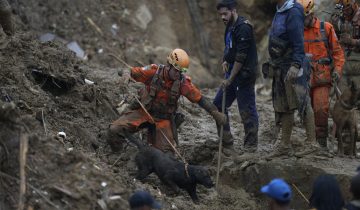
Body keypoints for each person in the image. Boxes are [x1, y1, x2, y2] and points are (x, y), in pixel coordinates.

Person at [107, 49, 227, 153]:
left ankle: (152, 139)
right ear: (169, 65)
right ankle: (119, 157)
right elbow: (129, 70)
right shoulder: (153, 71)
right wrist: (126, 75)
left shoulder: (183, 83)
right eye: (177, 70)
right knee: (114, 130)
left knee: (166, 156)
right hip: (143, 112)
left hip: (163, 120)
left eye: (183, 71)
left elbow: (200, 99)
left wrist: (214, 113)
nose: (179, 74)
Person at [263, 0, 319, 158]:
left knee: (302, 101)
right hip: (280, 66)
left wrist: (295, 65)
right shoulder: (280, 10)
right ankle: (285, 145)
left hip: (291, 66)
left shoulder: (293, 11)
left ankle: (312, 143)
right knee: (285, 104)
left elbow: (298, 42)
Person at [214, 0, 259, 153]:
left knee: (246, 109)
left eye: (225, 13)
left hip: (244, 75)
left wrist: (229, 79)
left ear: (233, 10)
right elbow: (230, 48)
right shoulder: (230, 26)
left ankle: (251, 146)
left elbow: (241, 57)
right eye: (220, 14)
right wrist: (225, 60)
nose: (222, 17)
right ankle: (227, 142)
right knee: (218, 104)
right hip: (232, 73)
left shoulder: (244, 27)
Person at [300, 0, 345, 149]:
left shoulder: (326, 28)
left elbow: (338, 53)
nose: (301, 21)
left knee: (320, 109)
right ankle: (309, 140)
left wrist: (337, 70)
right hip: (303, 78)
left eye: (303, 17)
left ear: (311, 13)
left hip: (321, 77)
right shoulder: (297, 30)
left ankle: (321, 143)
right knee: (305, 110)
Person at [334, 0, 360, 88]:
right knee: (342, 97)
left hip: (357, 63)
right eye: (342, 9)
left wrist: (353, 42)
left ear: (353, 5)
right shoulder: (341, 19)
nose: (345, 12)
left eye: (347, 9)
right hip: (345, 65)